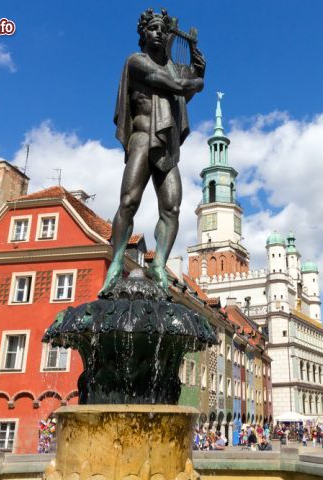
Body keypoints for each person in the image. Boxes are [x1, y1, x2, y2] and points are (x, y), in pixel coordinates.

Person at [99, 7, 205, 294]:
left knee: (172, 207)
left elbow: (186, 93)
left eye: (162, 29)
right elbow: (174, 84)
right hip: (142, 138)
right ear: (143, 34)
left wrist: (197, 71)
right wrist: (192, 80)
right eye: (152, 28)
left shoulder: (172, 68)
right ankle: (117, 261)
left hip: (166, 145)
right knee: (129, 201)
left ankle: (158, 264)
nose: (158, 33)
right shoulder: (137, 62)